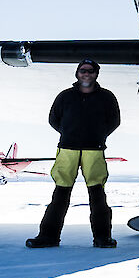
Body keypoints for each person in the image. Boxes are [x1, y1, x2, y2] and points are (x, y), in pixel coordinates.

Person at [27, 60, 121, 248]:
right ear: (77, 73)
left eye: (90, 71)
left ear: (96, 74)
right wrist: (68, 134)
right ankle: (48, 236)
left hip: (94, 150)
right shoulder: (65, 96)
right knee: (60, 193)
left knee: (97, 194)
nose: (86, 74)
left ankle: (102, 238)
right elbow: (53, 119)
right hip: (67, 149)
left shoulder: (107, 97)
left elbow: (114, 121)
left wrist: (98, 136)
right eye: (83, 71)